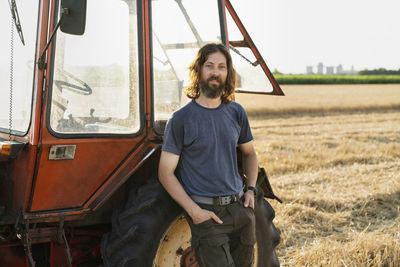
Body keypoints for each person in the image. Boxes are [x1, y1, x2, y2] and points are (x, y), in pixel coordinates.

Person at [158, 43, 258, 267]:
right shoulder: (181, 119)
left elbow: (250, 154)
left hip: (240, 211)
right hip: (208, 215)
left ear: (227, 73)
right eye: (210, 65)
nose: (216, 72)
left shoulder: (236, 112)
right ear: (199, 70)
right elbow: (165, 173)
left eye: (222, 67)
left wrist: (250, 189)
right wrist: (194, 211)